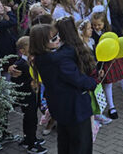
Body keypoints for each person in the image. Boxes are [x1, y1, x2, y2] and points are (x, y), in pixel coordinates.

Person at [30, 23, 97, 154]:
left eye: (58, 36)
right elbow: (77, 79)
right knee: (81, 144)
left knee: (64, 143)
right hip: (75, 108)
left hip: (59, 107)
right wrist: (93, 82)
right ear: (42, 43)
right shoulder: (59, 60)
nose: (59, 39)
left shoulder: (40, 58)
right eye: (54, 39)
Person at [9, 36, 47, 154]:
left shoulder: (31, 60)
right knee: (30, 118)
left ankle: (30, 138)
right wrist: (30, 83)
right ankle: (31, 144)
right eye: (30, 47)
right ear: (22, 50)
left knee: (32, 117)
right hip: (27, 96)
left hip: (33, 95)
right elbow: (17, 82)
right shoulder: (20, 64)